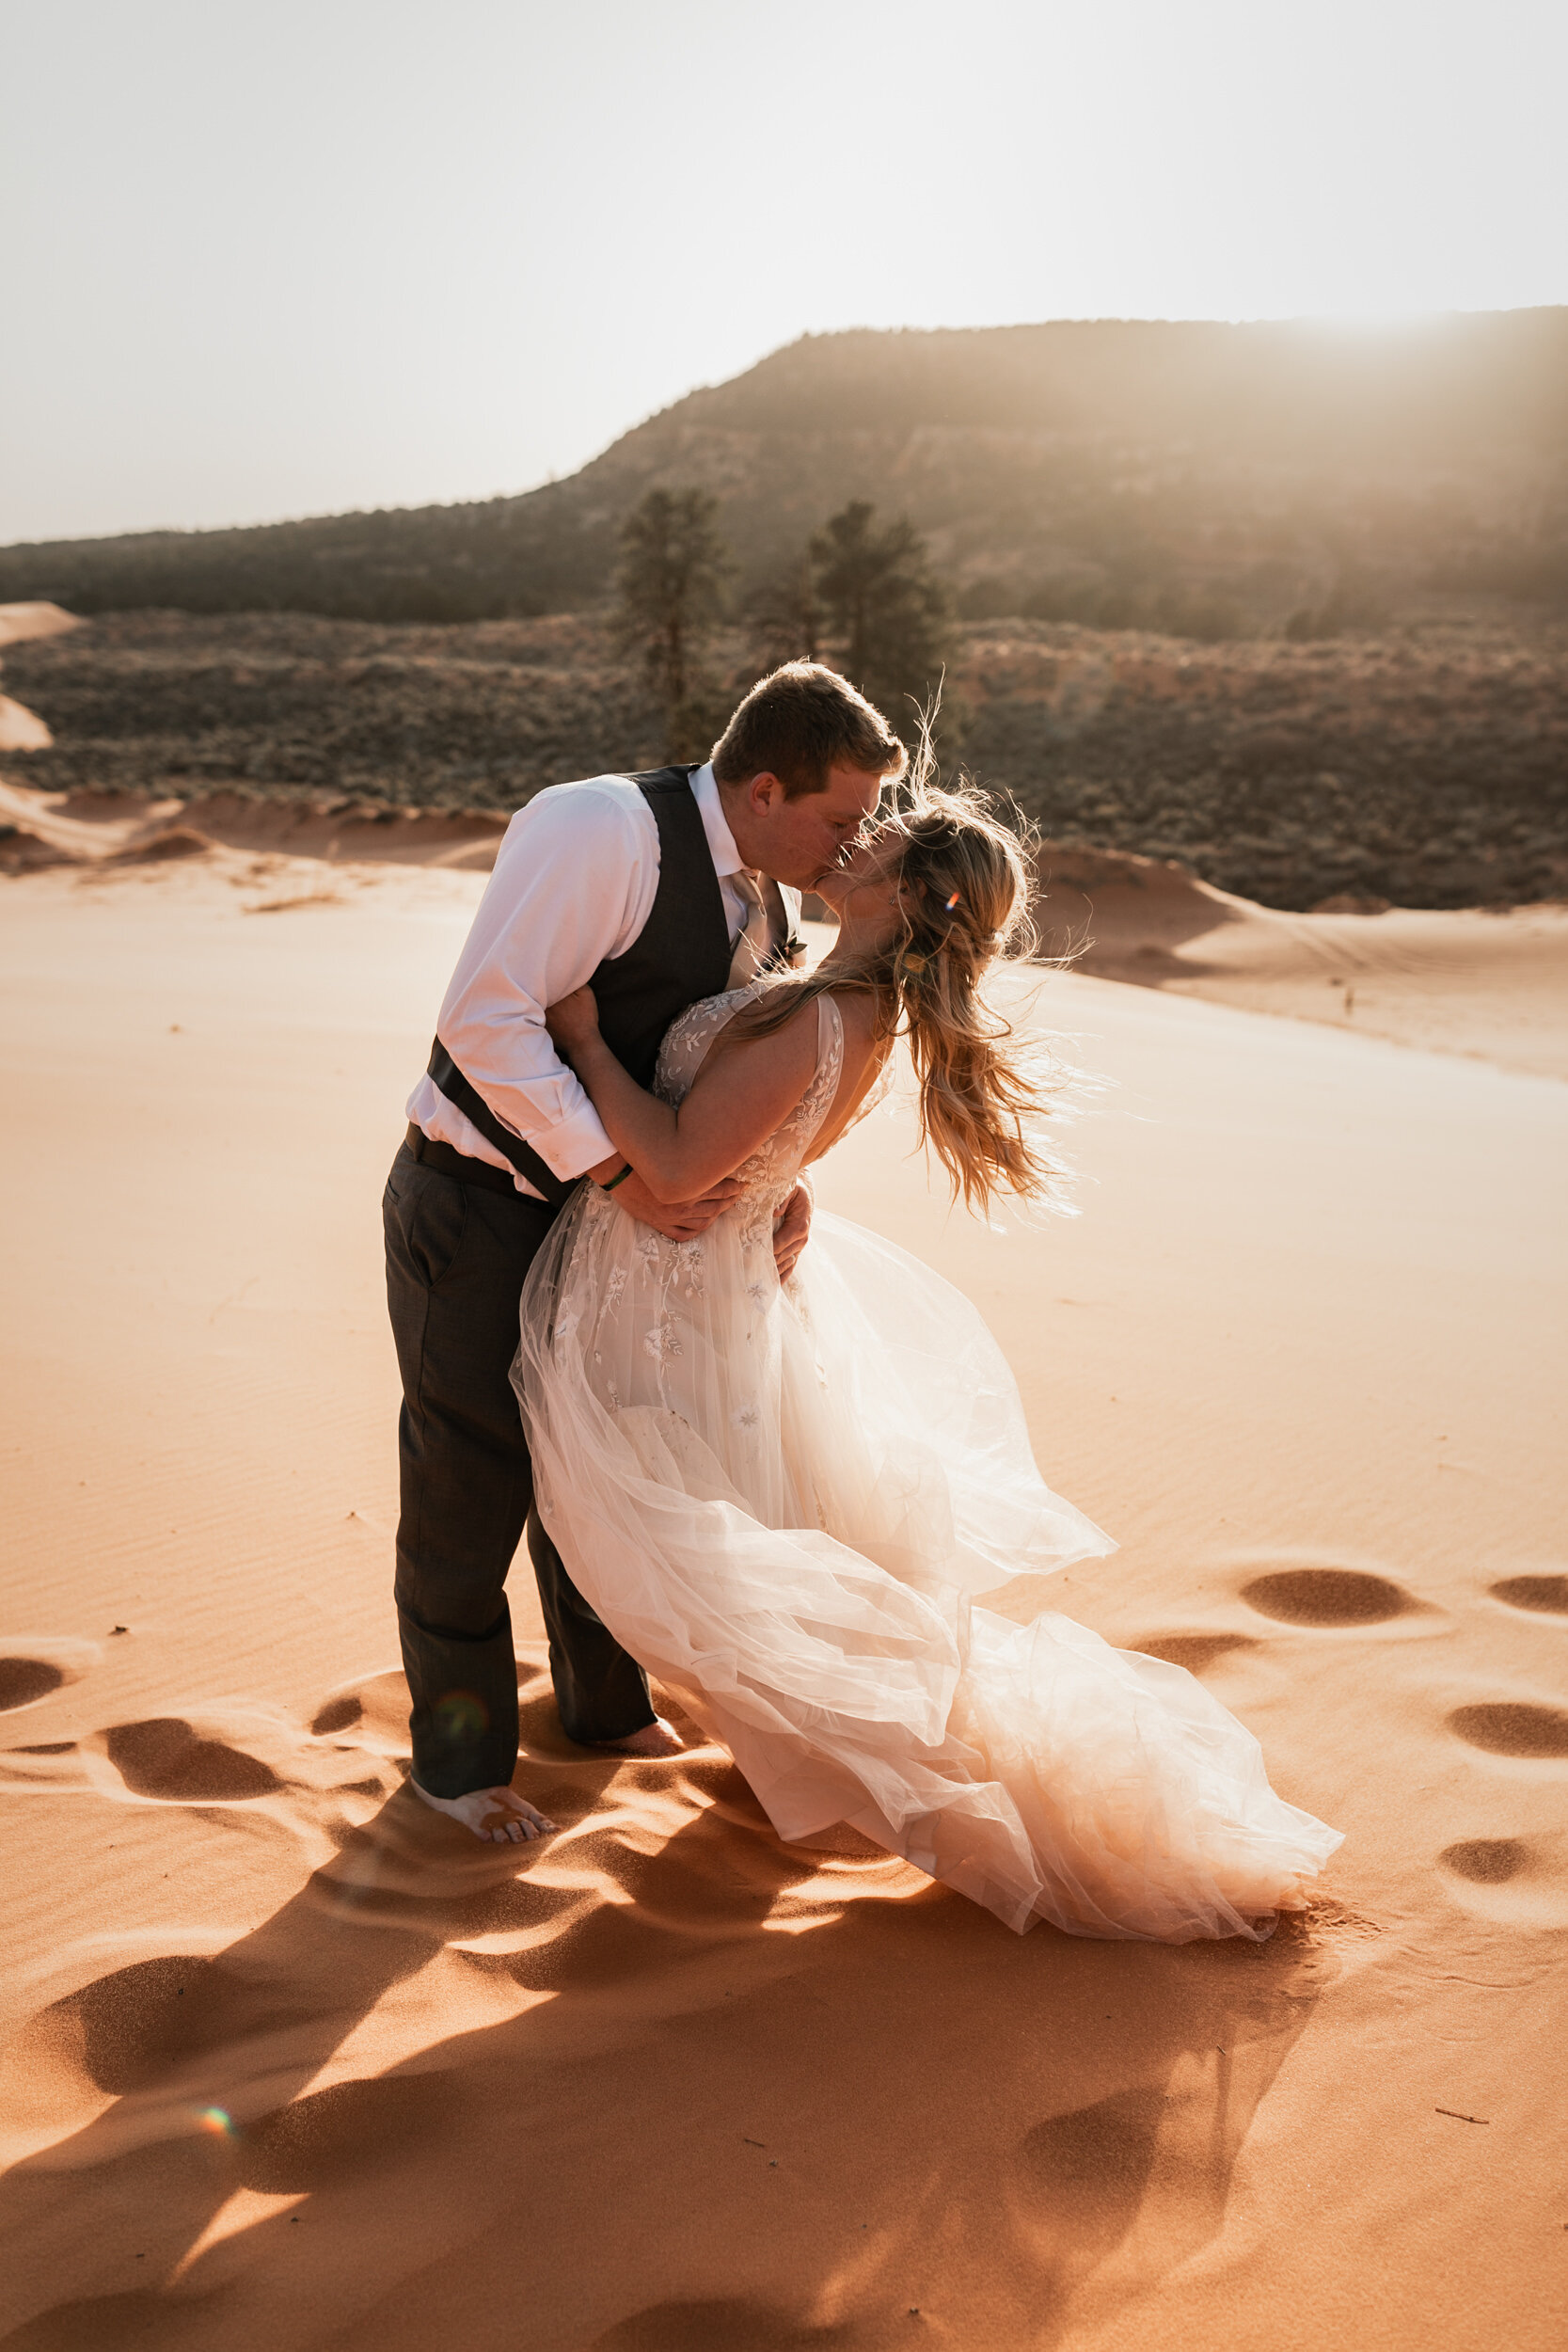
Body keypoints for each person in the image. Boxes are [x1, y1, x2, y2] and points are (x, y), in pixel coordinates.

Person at [517, 767, 1343, 1939]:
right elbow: (760, 1145)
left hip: (675, 1289)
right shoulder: (833, 994)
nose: (855, 835)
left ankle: (884, 1779)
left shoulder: (822, 1010)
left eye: (881, 836)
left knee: (694, 1552)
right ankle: (781, 1760)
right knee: (731, 1552)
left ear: (908, 897)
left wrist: (585, 1043)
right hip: (704, 1290)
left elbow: (679, 1168)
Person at [384, 663, 907, 1843]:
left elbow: (716, 1072)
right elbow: (488, 1015)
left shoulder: (764, 895)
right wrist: (616, 1172)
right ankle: (458, 1766)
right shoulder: (599, 827)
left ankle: (602, 1713)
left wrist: (779, 1182)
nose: (852, 841)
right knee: (468, 1479)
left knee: (599, 1462)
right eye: (838, 816)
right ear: (765, 787)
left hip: (614, 1240)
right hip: (478, 1202)